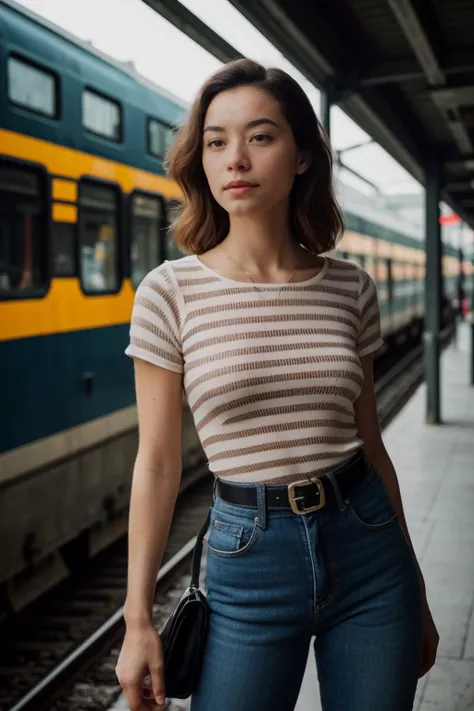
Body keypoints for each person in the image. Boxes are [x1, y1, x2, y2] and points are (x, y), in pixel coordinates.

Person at [115, 58, 439, 711]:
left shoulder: (352, 287)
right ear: (200, 160)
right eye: (216, 140)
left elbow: (371, 443)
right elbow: (155, 463)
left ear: (300, 157)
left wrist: (417, 591)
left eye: (260, 136)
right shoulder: (168, 293)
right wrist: (137, 618)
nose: (235, 157)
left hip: (371, 550)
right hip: (247, 559)